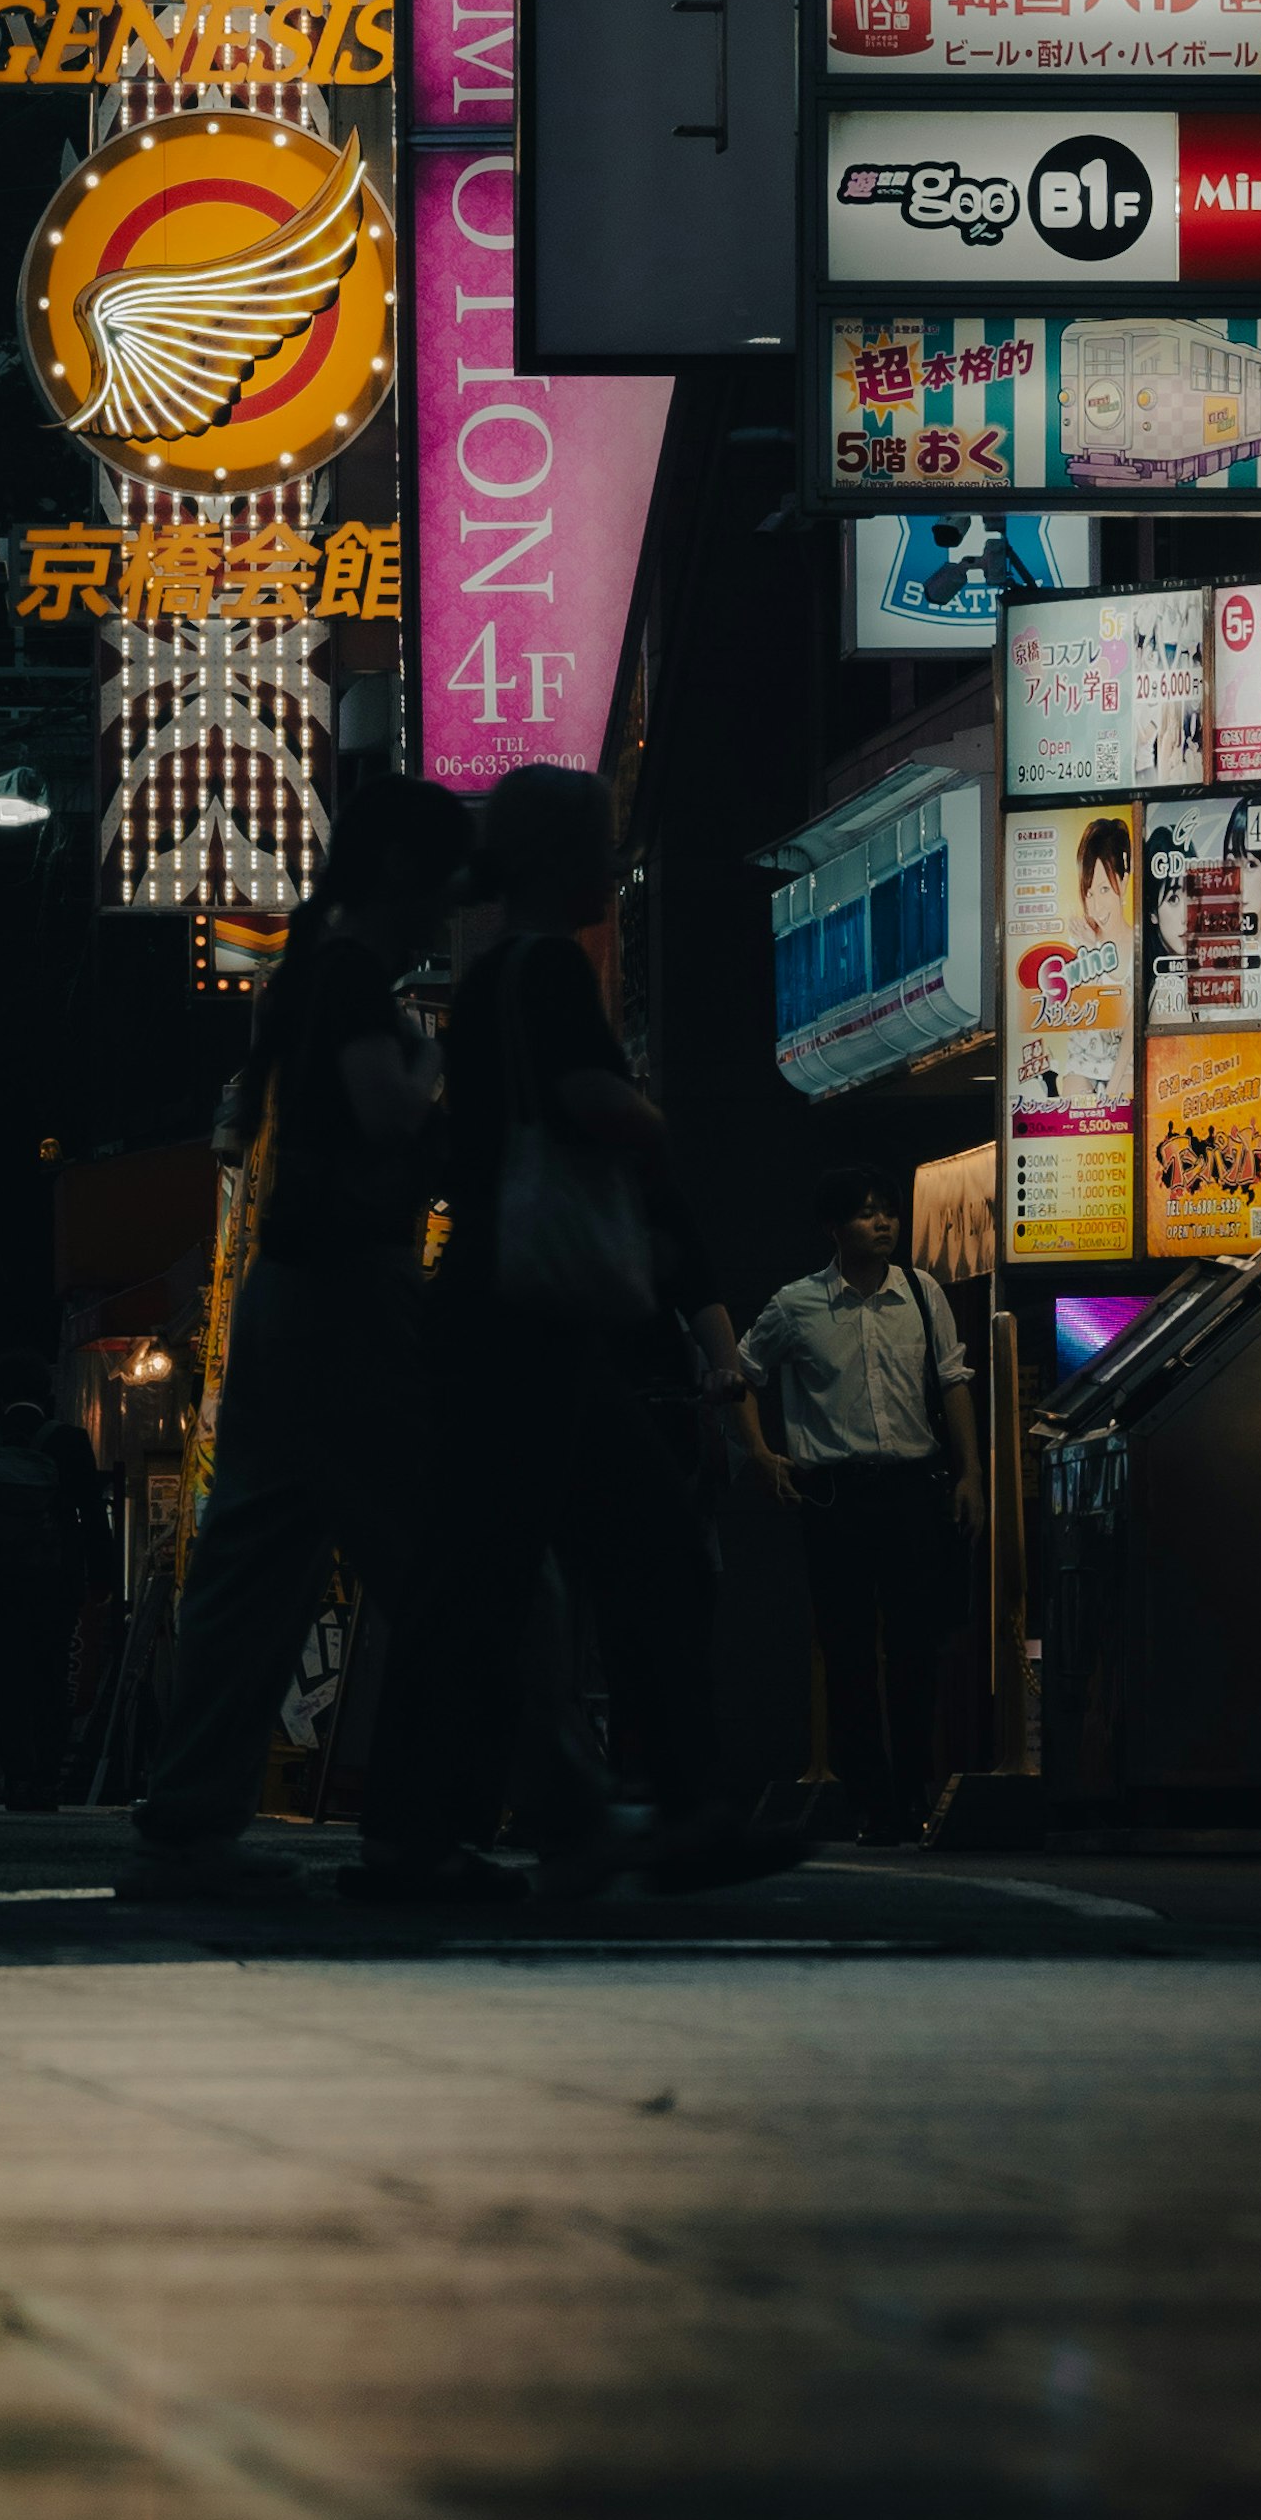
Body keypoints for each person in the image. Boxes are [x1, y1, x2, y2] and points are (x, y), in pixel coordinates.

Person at [120, 776, 494, 1905]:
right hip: (348, 1295)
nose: (446, 911)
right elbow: (388, 1117)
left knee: (255, 1565)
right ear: (400, 873)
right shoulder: (349, 978)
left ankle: (189, 1819)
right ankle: (431, 1826)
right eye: (441, 886)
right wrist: (443, 1069)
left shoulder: (313, 973)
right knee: (430, 1557)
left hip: (294, 1295)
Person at [424, 765, 787, 1892]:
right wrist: (649, 1120)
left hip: (493, 1309)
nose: (614, 862)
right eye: (601, 841)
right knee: (641, 1550)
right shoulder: (547, 973)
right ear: (556, 858)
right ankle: (679, 1809)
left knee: (497, 1575)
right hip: (534, 1319)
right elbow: (594, 1106)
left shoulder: (487, 979)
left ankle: (448, 1820)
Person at [743, 1177, 983, 1849]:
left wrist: (973, 1475)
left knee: (916, 1649)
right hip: (836, 1495)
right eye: (864, 1213)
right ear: (833, 1227)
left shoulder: (921, 1292)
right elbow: (739, 1374)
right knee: (847, 1651)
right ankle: (873, 1802)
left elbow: (953, 1382)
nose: (882, 1224)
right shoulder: (797, 1304)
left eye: (887, 1212)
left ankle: (908, 1794)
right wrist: (761, 1455)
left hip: (911, 1487)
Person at [0, 1363, 105, 1813]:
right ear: (48, 1394)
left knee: (6, 1679)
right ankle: (46, 1782)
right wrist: (98, 1578)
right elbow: (92, 1516)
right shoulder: (69, 1440)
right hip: (52, 1581)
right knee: (50, 1678)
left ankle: (16, 1779)